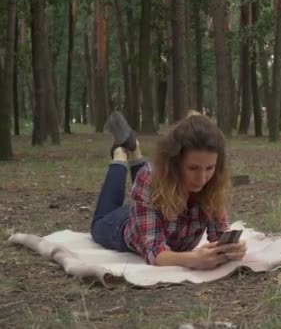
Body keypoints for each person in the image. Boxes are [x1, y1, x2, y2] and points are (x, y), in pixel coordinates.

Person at [90, 111, 246, 270]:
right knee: (98, 224)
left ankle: (136, 152)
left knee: (151, 183)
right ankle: (120, 155)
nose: (202, 178)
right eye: (193, 168)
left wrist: (230, 249)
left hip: (149, 205)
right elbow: (153, 250)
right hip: (123, 225)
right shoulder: (150, 178)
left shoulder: (214, 183)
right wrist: (193, 259)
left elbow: (219, 236)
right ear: (174, 163)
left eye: (210, 168)